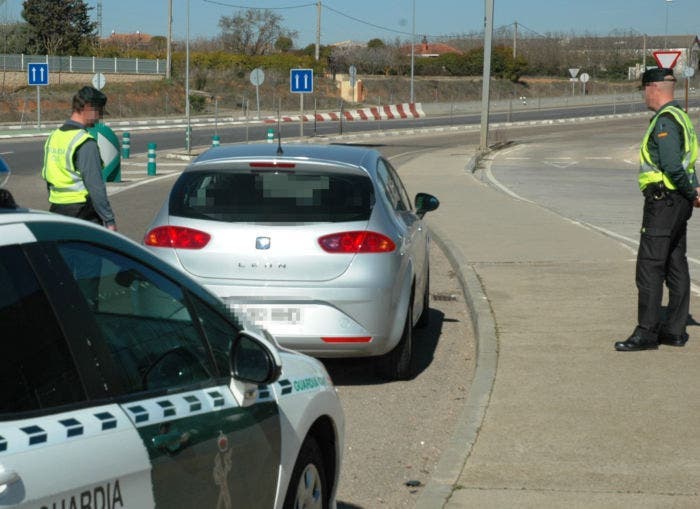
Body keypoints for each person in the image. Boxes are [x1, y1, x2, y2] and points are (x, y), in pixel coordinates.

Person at [615, 67, 700, 351]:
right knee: (676, 263)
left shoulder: (664, 121)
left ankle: (647, 332)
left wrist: (689, 190)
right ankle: (674, 331)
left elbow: (674, 166)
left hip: (664, 202)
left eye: (643, 89)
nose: (643, 95)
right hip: (678, 203)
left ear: (653, 88)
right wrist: (694, 191)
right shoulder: (681, 117)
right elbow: (689, 163)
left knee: (650, 267)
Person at [41, 86, 117, 231]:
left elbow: (49, 177)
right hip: (83, 214)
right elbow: (95, 187)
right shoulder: (85, 142)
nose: (100, 117)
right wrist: (109, 220)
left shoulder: (54, 137)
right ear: (88, 108)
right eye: (99, 112)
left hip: (56, 210)